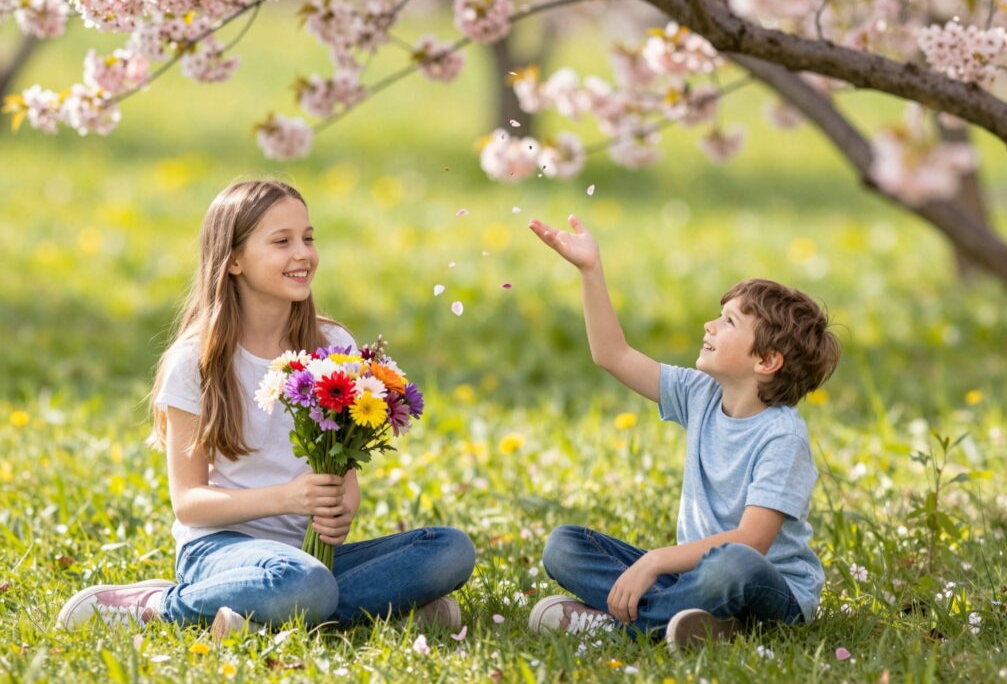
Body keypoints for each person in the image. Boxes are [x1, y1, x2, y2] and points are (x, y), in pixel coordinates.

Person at [57, 179, 474, 636]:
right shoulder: (197, 360)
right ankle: (162, 605)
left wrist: (342, 507)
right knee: (304, 583)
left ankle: (269, 613)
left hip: (307, 554)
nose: (303, 253)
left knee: (451, 549)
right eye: (281, 241)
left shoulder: (334, 347)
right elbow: (189, 504)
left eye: (308, 238)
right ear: (233, 260)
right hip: (219, 549)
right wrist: (288, 498)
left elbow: (344, 480)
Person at [525, 214, 840, 650]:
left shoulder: (782, 438)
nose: (709, 326)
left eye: (728, 322)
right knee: (564, 546)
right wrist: (590, 271)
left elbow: (752, 541)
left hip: (769, 590)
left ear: (766, 361)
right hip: (690, 577)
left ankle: (618, 626)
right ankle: (694, 622)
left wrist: (655, 561)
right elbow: (612, 354)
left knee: (732, 566)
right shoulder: (701, 394)